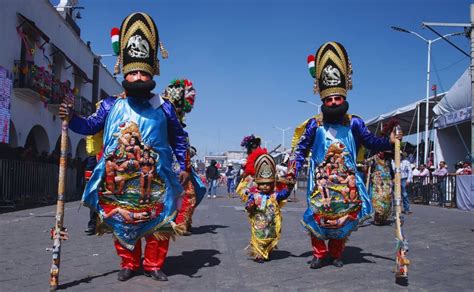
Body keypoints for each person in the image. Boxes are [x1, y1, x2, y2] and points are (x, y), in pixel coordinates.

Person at [59, 12, 189, 282]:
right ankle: (129, 262)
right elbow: (88, 125)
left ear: (152, 71)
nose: (139, 77)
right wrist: (71, 117)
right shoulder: (110, 105)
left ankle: (154, 264)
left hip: (159, 177)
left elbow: (179, 138)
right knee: (124, 220)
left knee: (159, 221)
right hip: (119, 175)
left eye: (143, 72)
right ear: (125, 74)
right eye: (133, 73)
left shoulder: (164, 107)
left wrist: (184, 165)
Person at [288, 42, 402, 269]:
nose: (332, 103)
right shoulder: (314, 125)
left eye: (336, 99)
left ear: (343, 98)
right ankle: (320, 254)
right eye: (328, 100)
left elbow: (370, 142)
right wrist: (293, 167)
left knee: (343, 217)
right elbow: (300, 149)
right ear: (323, 101)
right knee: (318, 218)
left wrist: (388, 142)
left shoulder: (355, 123)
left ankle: (337, 253)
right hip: (320, 183)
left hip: (346, 182)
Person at [163, 79, 206, 235]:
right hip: (169, 160)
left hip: (181, 160)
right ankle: (177, 223)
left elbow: (181, 140)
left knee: (198, 189)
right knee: (186, 192)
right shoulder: (163, 113)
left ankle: (181, 221)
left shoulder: (177, 120)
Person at [245, 154, 293, 263]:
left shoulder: (274, 195)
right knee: (259, 237)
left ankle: (267, 251)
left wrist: (289, 188)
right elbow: (247, 206)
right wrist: (253, 204)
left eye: (268, 184)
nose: (265, 186)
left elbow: (283, 195)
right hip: (259, 222)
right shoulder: (255, 195)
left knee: (270, 236)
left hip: (271, 222)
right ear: (257, 184)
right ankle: (259, 254)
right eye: (262, 184)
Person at [236, 135, 268, 201]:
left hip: (256, 179)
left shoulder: (254, 155)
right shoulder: (263, 153)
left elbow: (250, 169)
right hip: (264, 178)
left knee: (244, 188)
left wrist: (243, 174)